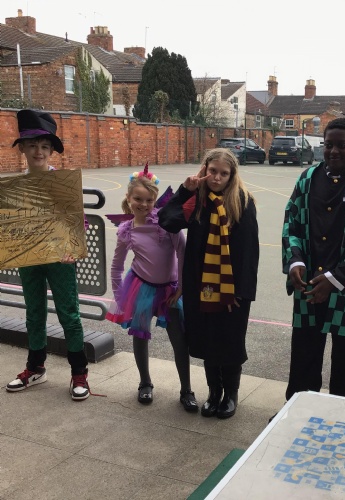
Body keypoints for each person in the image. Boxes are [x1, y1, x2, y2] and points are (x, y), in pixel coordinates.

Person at [281, 117, 345, 404]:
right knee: (304, 354)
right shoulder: (308, 178)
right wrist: (295, 261)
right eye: (328, 145)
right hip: (308, 284)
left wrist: (335, 279)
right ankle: (298, 409)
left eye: (342, 145)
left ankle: (343, 415)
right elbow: (292, 224)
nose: (334, 151)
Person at [158, 148, 259, 419]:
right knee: (207, 339)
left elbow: (250, 252)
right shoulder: (196, 200)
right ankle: (214, 393)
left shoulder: (243, 201)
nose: (216, 178)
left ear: (232, 176)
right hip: (201, 286)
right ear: (204, 169)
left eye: (223, 173)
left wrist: (241, 292)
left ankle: (231, 394)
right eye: (212, 171)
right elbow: (166, 220)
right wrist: (184, 191)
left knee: (230, 340)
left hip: (232, 288)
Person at [6, 109, 90, 401]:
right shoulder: (15, 187)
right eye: (32, 145)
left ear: (52, 151)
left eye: (44, 146)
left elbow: (78, 221)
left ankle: (79, 372)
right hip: (29, 257)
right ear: (22, 148)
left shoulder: (62, 182)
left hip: (60, 257)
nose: (38, 151)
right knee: (34, 313)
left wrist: (73, 247)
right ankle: (36, 367)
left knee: (69, 314)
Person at [105, 165, 198, 411]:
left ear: (155, 200)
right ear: (129, 198)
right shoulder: (127, 231)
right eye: (138, 199)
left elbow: (182, 252)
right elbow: (116, 267)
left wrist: (181, 288)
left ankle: (186, 389)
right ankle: (145, 383)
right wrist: (120, 297)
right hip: (142, 287)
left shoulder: (166, 223)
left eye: (149, 200)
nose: (143, 204)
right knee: (140, 335)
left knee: (179, 340)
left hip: (170, 290)